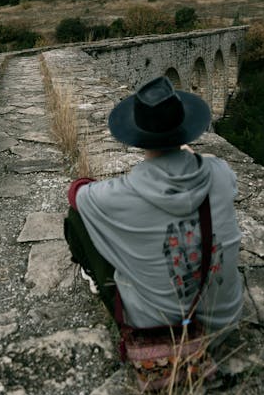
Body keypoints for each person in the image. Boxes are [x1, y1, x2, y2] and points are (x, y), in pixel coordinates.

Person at [65, 75, 242, 344]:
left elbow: (75, 194)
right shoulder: (220, 173)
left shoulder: (121, 193)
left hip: (160, 333)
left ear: (138, 137)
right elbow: (216, 174)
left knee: (76, 218)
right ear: (186, 130)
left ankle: (100, 281)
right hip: (224, 326)